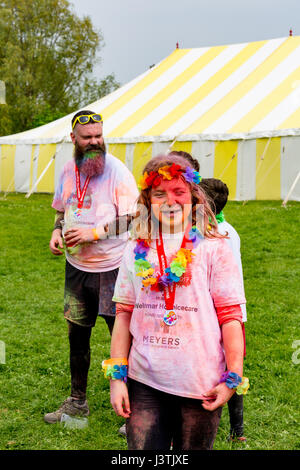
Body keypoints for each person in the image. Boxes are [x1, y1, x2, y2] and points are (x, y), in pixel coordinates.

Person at [102, 154, 249, 450]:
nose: (169, 201)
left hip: (200, 383)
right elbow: (123, 313)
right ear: (148, 199)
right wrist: (116, 378)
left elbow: (231, 316)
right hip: (144, 379)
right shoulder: (134, 248)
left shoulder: (214, 246)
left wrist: (233, 377)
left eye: (178, 192)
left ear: (193, 197)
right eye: (160, 193)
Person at [44, 110, 138, 423]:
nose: (95, 141)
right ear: (74, 139)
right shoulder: (67, 171)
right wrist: (57, 231)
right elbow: (61, 210)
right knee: (77, 338)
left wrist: (93, 233)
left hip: (114, 270)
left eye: (99, 135)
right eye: (88, 137)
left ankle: (133, 415)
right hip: (77, 269)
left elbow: (133, 217)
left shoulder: (117, 171)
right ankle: (76, 403)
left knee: (122, 340)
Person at [199, 177, 247, 442]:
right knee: (232, 366)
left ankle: (229, 429)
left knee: (224, 366)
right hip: (235, 312)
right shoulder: (229, 229)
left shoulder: (215, 235)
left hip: (223, 314)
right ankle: (237, 432)